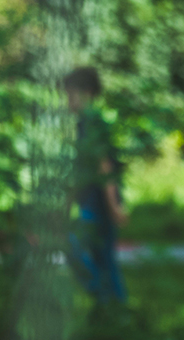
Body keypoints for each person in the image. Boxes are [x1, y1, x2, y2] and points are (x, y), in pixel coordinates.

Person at [64, 67, 128, 303]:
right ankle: (112, 310)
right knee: (104, 259)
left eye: (71, 95)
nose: (68, 101)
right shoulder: (84, 121)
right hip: (91, 201)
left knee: (76, 248)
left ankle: (107, 301)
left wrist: (113, 205)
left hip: (98, 203)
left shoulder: (91, 121)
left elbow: (104, 165)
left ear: (87, 92)